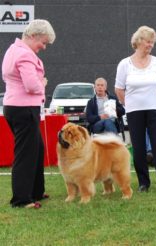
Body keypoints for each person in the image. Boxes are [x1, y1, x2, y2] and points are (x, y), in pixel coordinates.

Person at [115, 25, 156, 194]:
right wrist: (130, 104)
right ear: (139, 41)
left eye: (152, 42)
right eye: (148, 42)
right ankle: (144, 183)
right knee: (139, 146)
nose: (150, 45)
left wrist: (150, 99)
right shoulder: (124, 64)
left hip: (154, 109)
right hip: (134, 111)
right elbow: (119, 90)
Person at [2, 19, 56, 208]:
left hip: (13, 106)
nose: (44, 47)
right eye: (43, 42)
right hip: (24, 109)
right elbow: (32, 85)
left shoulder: (12, 50)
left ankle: (36, 191)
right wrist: (42, 83)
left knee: (37, 149)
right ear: (33, 36)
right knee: (26, 153)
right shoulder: (25, 55)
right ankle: (21, 199)